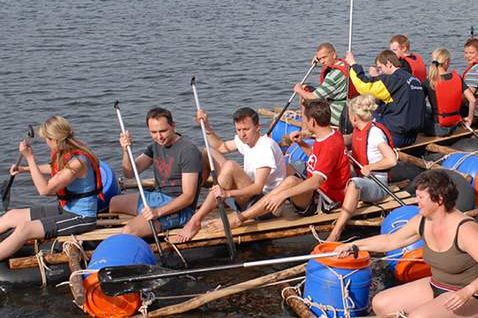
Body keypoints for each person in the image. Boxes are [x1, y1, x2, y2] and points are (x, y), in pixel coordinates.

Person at [334, 170, 478, 318]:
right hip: (436, 285)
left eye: (421, 197)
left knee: (419, 316)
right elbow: (390, 241)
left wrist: (467, 292)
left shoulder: (465, 229)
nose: (416, 201)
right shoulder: (422, 221)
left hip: (471, 296)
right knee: (380, 303)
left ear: (439, 200)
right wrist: (354, 245)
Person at [174, 107, 286, 243]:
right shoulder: (246, 141)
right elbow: (220, 146)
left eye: (246, 129)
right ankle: (191, 200)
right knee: (207, 153)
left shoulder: (265, 147)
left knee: (231, 166)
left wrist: (228, 194)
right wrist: (206, 126)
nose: (242, 134)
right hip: (249, 198)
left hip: (266, 206)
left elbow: (257, 188)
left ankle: (196, 219)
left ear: (257, 127)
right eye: (238, 130)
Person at [230, 100, 351, 223]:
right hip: (316, 190)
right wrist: (301, 144)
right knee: (288, 169)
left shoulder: (330, 145)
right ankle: (262, 206)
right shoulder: (329, 135)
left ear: (313, 122)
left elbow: (316, 182)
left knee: (290, 181)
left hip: (322, 200)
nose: (302, 124)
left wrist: (284, 194)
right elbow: (317, 158)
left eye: (304, 120)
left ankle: (242, 217)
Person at [0, 116, 101, 260]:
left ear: (55, 139)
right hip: (66, 209)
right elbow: (53, 168)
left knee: (25, 229)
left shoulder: (78, 162)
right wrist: (25, 169)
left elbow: (44, 190)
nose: (46, 143)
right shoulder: (67, 150)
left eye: (46, 139)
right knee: (12, 215)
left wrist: (30, 158)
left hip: (82, 218)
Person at [109, 107, 203, 237]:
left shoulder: (188, 151)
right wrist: (125, 150)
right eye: (153, 132)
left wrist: (157, 212)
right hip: (157, 197)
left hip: (179, 208)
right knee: (113, 203)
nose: (159, 137)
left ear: (173, 126)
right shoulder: (155, 146)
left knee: (129, 231)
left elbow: (188, 197)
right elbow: (129, 173)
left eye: (163, 131)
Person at [326, 95, 397, 242]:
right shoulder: (361, 128)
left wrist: (371, 166)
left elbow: (392, 160)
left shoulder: (375, 134)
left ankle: (336, 232)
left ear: (354, 117)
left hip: (378, 183)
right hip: (365, 177)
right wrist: (326, 137)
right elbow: (349, 139)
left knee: (354, 184)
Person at [346, 50, 425, 148]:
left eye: (380, 68)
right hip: (412, 136)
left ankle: (354, 141)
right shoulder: (415, 80)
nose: (381, 72)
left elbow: (363, 86)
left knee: (366, 112)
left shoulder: (394, 79)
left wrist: (353, 64)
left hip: (395, 136)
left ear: (389, 64)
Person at [292, 42, 358, 132]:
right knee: (306, 88)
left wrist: (298, 89)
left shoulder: (334, 75)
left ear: (334, 55)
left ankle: (305, 129)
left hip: (340, 112)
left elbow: (312, 97)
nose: (322, 61)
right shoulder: (343, 63)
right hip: (346, 104)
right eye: (320, 59)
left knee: (304, 93)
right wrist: (318, 61)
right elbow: (328, 65)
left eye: (324, 57)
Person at [422, 48, 478, 136]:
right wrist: (470, 119)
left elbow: (418, 104)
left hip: (437, 128)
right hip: (454, 125)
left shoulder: (429, 81)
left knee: (426, 111)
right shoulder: (457, 78)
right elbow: (473, 100)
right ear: (446, 62)